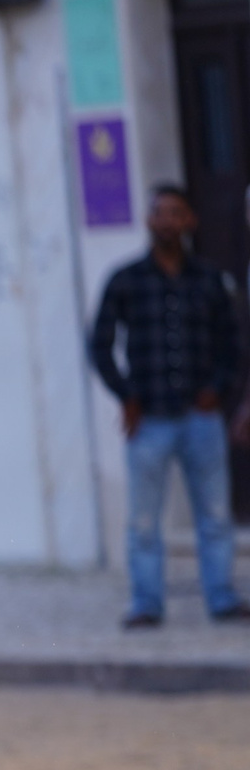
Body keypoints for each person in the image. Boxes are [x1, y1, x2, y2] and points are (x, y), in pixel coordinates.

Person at [89, 184, 249, 629]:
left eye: (176, 213)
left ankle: (221, 598)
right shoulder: (125, 280)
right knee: (143, 520)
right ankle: (146, 604)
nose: (167, 221)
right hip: (149, 418)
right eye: (160, 213)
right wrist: (125, 395)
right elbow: (100, 345)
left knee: (215, 516)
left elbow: (232, 343)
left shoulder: (209, 280)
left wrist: (218, 389)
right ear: (148, 221)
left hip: (201, 417)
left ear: (189, 222)